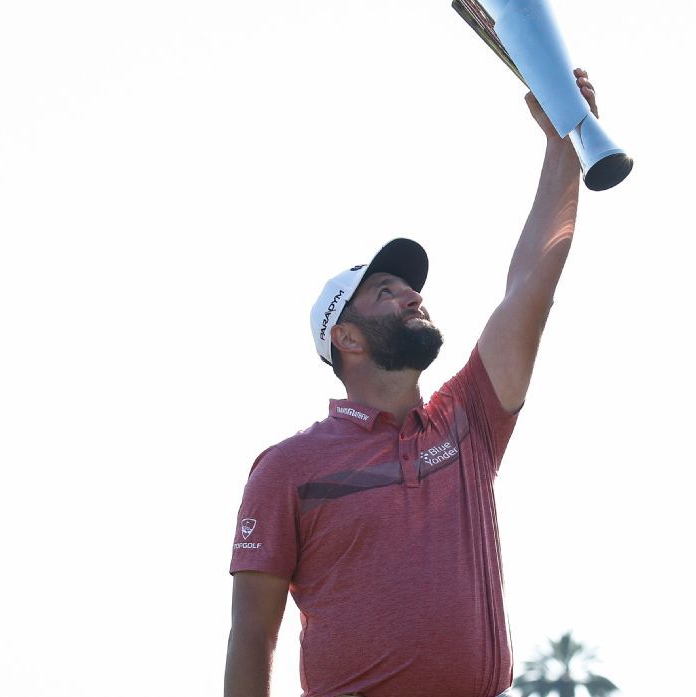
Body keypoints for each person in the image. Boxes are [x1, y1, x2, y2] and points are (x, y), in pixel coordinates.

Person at [223, 69, 600, 697]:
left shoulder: (467, 420)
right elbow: (251, 636)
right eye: (385, 291)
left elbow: (532, 283)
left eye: (409, 287)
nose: (411, 295)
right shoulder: (286, 469)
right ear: (346, 339)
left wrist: (564, 144)